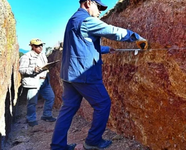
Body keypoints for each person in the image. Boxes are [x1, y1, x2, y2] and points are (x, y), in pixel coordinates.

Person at [51, 0, 148, 149]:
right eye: (99, 7)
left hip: (69, 74)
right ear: (89, 2)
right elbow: (112, 31)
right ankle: (93, 141)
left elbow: (81, 45)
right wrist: (136, 37)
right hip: (83, 75)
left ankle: (57, 145)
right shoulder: (86, 20)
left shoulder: (73, 20)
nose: (100, 11)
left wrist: (105, 49)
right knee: (103, 104)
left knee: (68, 108)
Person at [19, 38, 56, 127]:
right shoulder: (26, 56)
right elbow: (21, 70)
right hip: (33, 82)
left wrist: (50, 66)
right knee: (32, 102)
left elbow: (44, 66)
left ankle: (47, 115)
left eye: (41, 45)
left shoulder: (42, 55)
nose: (40, 47)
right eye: (37, 46)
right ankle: (31, 118)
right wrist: (33, 69)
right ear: (32, 47)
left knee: (50, 97)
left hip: (44, 81)